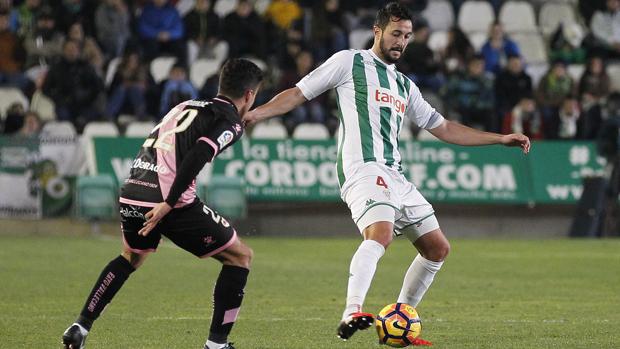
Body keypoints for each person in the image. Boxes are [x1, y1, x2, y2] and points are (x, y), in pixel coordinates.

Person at [243, 2, 530, 343]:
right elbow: (298, 93)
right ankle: (351, 310)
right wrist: (255, 115)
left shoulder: (405, 86)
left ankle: (401, 318)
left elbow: (445, 128)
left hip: (396, 176)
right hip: (362, 169)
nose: (401, 42)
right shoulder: (349, 61)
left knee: (437, 249)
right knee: (379, 236)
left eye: (407, 36)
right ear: (377, 31)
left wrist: (499, 139)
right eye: (396, 33)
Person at [61, 58, 263, 349]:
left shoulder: (186, 106)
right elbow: (200, 153)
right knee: (240, 257)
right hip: (169, 201)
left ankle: (80, 326)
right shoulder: (229, 121)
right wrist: (169, 202)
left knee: (130, 257)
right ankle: (217, 345)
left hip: (133, 189)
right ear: (249, 95)